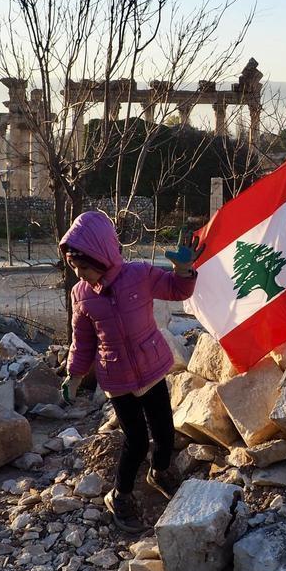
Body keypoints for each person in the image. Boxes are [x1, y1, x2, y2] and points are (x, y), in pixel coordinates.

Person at [58, 211, 198, 533]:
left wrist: (184, 270)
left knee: (165, 432)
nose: (79, 273)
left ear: (101, 255)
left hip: (151, 370)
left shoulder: (139, 275)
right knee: (135, 440)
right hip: (117, 380)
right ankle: (120, 494)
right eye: (74, 267)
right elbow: (82, 342)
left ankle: (160, 471)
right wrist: (74, 375)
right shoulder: (81, 295)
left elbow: (177, 290)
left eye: (83, 266)